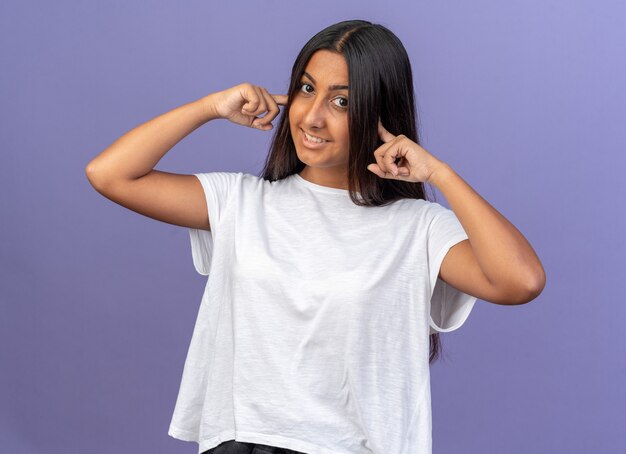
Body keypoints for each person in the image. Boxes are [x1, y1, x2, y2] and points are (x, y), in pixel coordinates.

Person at [85, 19, 545, 454]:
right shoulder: (242, 203)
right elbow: (110, 174)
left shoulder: (417, 227)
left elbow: (520, 281)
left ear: (380, 115)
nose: (313, 117)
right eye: (307, 89)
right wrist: (210, 107)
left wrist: (439, 173)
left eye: (341, 101)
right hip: (243, 440)